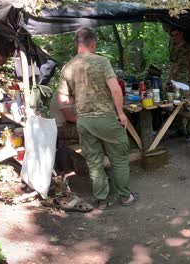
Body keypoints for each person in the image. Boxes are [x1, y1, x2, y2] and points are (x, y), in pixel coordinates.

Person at [57, 27, 139, 210]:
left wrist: (77, 117)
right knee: (119, 159)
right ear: (93, 43)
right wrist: (121, 114)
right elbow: (116, 90)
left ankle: (102, 200)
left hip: (84, 122)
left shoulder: (67, 67)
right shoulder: (102, 62)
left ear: (77, 44)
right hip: (107, 119)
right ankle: (125, 197)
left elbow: (62, 101)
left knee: (94, 162)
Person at [168, 27, 190, 141]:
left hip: (187, 82)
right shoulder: (174, 48)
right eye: (172, 36)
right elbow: (173, 65)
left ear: (181, 34)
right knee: (177, 105)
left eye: (176, 35)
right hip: (176, 81)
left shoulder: (189, 47)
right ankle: (181, 130)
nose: (174, 38)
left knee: (188, 106)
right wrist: (169, 79)